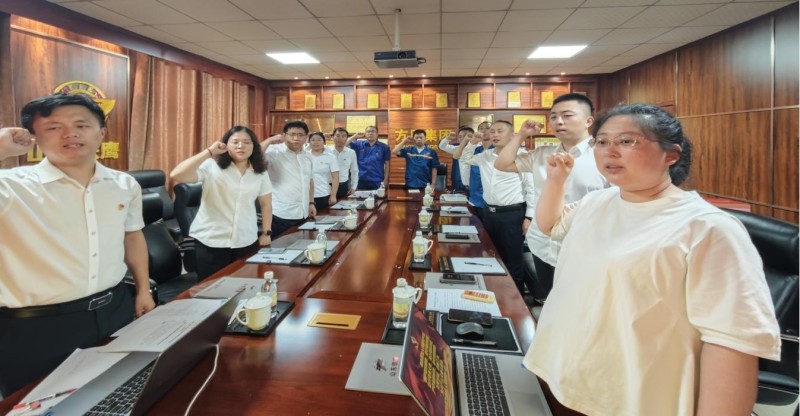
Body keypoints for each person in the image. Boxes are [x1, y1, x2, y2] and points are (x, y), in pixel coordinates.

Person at [525, 103, 781, 415]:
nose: (609, 151)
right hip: (561, 377)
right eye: (602, 141)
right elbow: (551, 225)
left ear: (671, 154)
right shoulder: (597, 201)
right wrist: (556, 181)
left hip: (633, 398)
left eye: (627, 141)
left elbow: (732, 343)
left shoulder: (707, 228)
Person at [0, 94, 156, 396]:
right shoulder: (10, 186)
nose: (70, 134)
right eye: (53, 127)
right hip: (36, 328)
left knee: (117, 393)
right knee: (40, 405)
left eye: (82, 125)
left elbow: (132, 236)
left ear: (101, 132)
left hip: (115, 309)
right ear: (33, 137)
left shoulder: (124, 184)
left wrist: (142, 290)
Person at [495, 93, 609, 302]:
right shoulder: (542, 154)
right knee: (550, 301)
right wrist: (521, 135)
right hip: (542, 245)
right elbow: (502, 164)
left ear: (588, 121)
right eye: (554, 117)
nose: (559, 121)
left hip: (582, 248)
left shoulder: (604, 156)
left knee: (581, 306)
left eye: (567, 115)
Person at [170, 126, 273, 280]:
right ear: (226, 145)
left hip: (245, 239)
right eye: (235, 142)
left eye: (246, 142)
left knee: (244, 284)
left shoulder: (260, 172)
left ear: (254, 146)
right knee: (211, 287)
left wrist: (266, 233)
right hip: (212, 240)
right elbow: (176, 175)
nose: (241, 146)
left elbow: (266, 204)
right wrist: (209, 152)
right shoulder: (212, 166)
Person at [455, 120, 537, 297]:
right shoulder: (485, 155)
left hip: (512, 214)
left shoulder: (522, 156)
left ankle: (516, 301)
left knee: (512, 260)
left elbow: (531, 189)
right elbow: (465, 159)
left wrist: (529, 217)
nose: (495, 135)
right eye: (492, 132)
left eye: (500, 131)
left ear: (513, 136)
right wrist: (472, 143)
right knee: (491, 256)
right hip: (489, 213)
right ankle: (496, 295)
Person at [260, 120, 316, 238]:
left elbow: (310, 181)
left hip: (303, 212)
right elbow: (253, 156)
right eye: (292, 134)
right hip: (281, 214)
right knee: (279, 245)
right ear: (284, 135)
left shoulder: (307, 156)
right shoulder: (274, 152)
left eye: (300, 135)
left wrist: (311, 203)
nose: (296, 138)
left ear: (306, 137)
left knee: (301, 243)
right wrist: (269, 140)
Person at [348, 125, 390, 190]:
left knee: (377, 197)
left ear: (377, 134)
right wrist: (354, 137)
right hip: (360, 180)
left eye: (373, 131)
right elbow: (343, 145)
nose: (370, 133)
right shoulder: (358, 144)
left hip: (377, 180)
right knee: (359, 196)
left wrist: (386, 180)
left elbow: (387, 164)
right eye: (368, 131)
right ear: (365, 134)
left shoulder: (384, 147)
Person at [307, 131, 339, 211]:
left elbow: (335, 177)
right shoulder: (304, 156)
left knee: (322, 216)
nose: (315, 142)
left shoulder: (331, 157)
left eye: (319, 140)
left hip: (323, 194)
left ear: (324, 142)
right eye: (313, 140)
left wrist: (333, 195)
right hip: (305, 195)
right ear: (309, 142)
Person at [438, 127, 472, 192]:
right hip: (457, 180)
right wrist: (448, 138)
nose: (464, 139)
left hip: (473, 181)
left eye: (467, 136)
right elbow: (442, 146)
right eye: (460, 137)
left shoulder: (478, 148)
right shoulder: (456, 148)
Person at [328, 127, 358, 199]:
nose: (340, 138)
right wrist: (322, 137)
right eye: (337, 136)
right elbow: (308, 151)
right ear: (332, 137)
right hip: (327, 186)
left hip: (343, 187)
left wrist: (353, 187)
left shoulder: (351, 152)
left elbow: (354, 171)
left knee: (342, 205)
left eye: (343, 136)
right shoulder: (326, 150)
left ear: (347, 138)